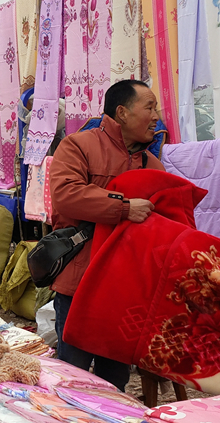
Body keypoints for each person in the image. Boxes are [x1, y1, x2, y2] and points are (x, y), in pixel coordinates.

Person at [49, 79, 165, 388]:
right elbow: (66, 195)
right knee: (72, 375)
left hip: (125, 290)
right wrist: (124, 208)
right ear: (122, 113)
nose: (156, 117)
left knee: (114, 381)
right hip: (80, 283)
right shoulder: (78, 145)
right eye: (149, 108)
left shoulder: (152, 164)